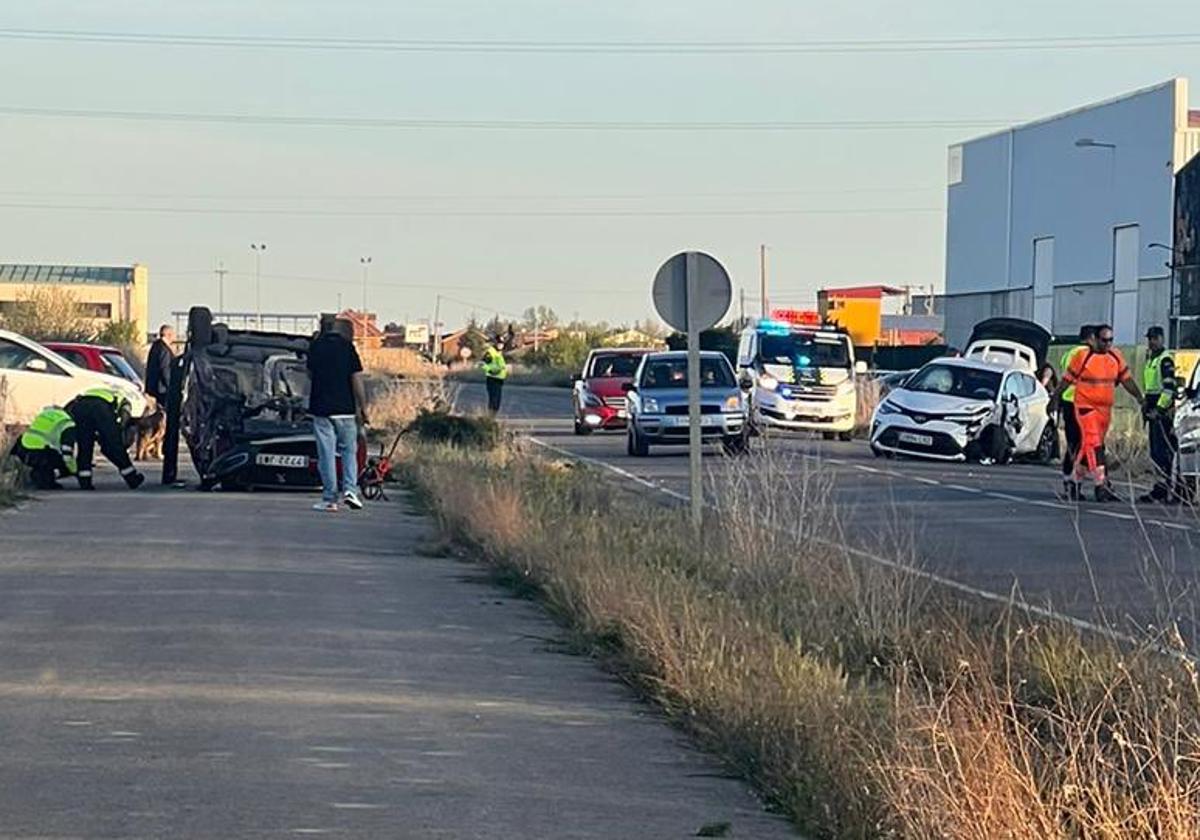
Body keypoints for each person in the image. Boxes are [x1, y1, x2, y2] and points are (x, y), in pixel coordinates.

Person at [1054, 324, 1143, 502]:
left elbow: (1126, 380)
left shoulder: (1115, 357)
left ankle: (1075, 481)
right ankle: (1100, 485)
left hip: (1104, 409)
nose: (1107, 344)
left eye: (1111, 340)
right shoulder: (1081, 356)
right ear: (1094, 339)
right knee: (1093, 443)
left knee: (1090, 447)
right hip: (1084, 406)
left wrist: (1140, 397)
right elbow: (1065, 380)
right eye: (1104, 340)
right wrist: (1054, 399)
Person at [15, 387, 146, 490]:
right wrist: (118, 430)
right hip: (100, 408)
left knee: (85, 446)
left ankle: (85, 481)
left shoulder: (92, 393)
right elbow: (124, 416)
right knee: (114, 445)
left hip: (81, 408)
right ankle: (132, 478)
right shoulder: (123, 400)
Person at [307, 321, 367, 513]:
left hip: (321, 408)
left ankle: (329, 499)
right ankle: (351, 491)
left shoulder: (316, 346)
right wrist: (362, 407)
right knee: (349, 452)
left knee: (326, 454)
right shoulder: (348, 348)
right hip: (346, 410)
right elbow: (356, 379)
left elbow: (309, 373)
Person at [1138, 326, 1180, 503]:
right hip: (1152, 407)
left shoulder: (1165, 360)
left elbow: (1169, 388)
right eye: (1150, 338)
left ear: (1162, 338)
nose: (1151, 342)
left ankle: (1165, 489)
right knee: (1155, 452)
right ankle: (1160, 487)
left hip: (1161, 412)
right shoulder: (1151, 359)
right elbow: (1150, 387)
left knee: (1163, 452)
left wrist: (1160, 410)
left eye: (1154, 338)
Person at [1058, 325, 1097, 498]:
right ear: (1091, 338)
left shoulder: (1068, 354)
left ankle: (1067, 480)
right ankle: (1076, 484)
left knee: (1072, 444)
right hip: (1083, 404)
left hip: (1067, 402)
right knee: (1083, 445)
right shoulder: (1089, 355)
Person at [144, 324, 176, 406]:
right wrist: (171, 386)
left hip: (152, 387)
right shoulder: (164, 349)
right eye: (173, 334)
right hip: (161, 390)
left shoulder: (155, 346)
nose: (174, 337)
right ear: (168, 334)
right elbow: (165, 369)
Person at [481, 339, 508, 415]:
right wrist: (491, 371)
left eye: (502, 344)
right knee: (493, 400)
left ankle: (492, 417)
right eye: (499, 344)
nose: (501, 346)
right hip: (492, 378)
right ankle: (490, 417)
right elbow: (484, 364)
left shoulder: (498, 353)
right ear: (495, 344)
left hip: (499, 379)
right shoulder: (491, 352)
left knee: (497, 400)